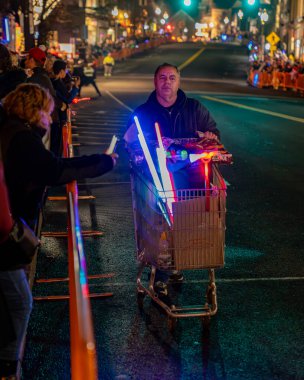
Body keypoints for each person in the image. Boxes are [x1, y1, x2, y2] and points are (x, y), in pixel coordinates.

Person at [0, 83, 118, 378]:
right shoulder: (22, 140)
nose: (51, 120)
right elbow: (56, 170)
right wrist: (103, 162)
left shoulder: (8, 129)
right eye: (48, 113)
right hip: (4, 235)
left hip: (9, 224)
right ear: (34, 110)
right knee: (19, 302)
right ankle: (7, 367)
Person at [124, 62, 220, 294]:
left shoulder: (194, 109)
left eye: (172, 78)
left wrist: (210, 136)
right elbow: (128, 142)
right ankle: (162, 271)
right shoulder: (143, 112)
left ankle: (174, 265)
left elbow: (214, 135)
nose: (167, 82)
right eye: (162, 78)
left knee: (185, 223)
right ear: (155, 82)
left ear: (179, 81)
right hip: (155, 181)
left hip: (190, 181)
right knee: (159, 224)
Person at [50, 59, 80, 155]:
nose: (66, 72)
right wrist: (75, 87)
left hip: (56, 117)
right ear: (61, 71)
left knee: (56, 145)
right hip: (58, 118)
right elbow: (68, 98)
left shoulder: (55, 81)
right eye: (66, 70)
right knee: (57, 146)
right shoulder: (57, 83)